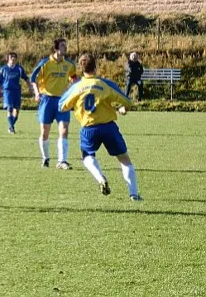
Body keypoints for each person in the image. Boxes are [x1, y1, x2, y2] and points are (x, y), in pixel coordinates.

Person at [59, 53, 142, 201]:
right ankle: (134, 194)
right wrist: (123, 108)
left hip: (88, 129)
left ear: (81, 68)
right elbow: (127, 101)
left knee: (87, 157)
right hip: (108, 127)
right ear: (96, 67)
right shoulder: (105, 84)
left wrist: (76, 106)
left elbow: (62, 106)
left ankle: (100, 178)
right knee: (124, 160)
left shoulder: (76, 87)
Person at [30, 38, 77, 170]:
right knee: (45, 133)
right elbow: (33, 78)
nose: (65, 48)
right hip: (47, 100)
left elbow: (73, 77)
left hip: (63, 101)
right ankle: (45, 158)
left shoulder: (69, 64)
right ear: (56, 48)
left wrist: (75, 86)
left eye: (65, 45)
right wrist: (37, 93)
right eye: (62, 46)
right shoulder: (45, 63)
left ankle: (62, 161)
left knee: (64, 130)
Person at [0, 52, 33, 134]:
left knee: (16, 111)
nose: (13, 60)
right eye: (11, 58)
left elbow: (26, 78)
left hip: (17, 91)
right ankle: (12, 128)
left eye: (14, 58)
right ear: (8, 59)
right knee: (10, 108)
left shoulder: (19, 69)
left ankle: (11, 126)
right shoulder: (3, 69)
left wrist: (30, 87)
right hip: (7, 91)